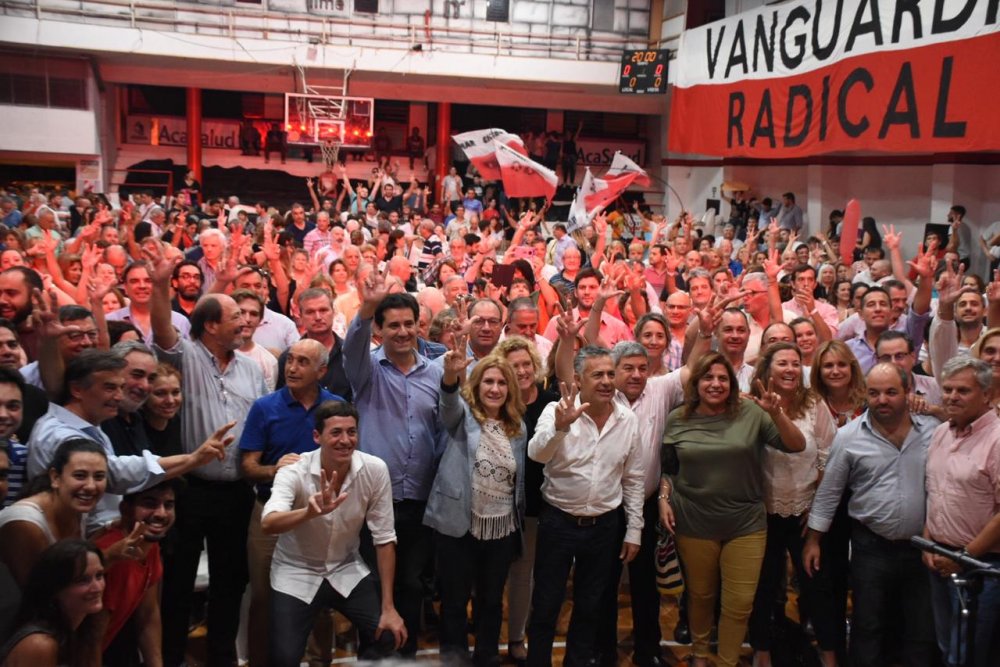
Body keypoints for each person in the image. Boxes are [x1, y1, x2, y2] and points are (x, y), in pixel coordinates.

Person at [146, 243, 267, 667]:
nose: (246, 322)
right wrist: (160, 284)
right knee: (178, 583)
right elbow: (162, 328)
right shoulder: (185, 356)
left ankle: (221, 658)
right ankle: (173, 658)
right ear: (212, 326)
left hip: (236, 491)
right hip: (189, 489)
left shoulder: (253, 368)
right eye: (237, 316)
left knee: (230, 582)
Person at [659, 352, 805, 667]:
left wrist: (777, 413)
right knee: (700, 596)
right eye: (708, 378)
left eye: (722, 378)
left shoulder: (751, 412)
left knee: (739, 603)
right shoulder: (677, 418)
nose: (715, 384)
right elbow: (669, 468)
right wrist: (662, 499)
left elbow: (796, 445)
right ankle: (699, 653)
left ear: (732, 383)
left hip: (746, 524)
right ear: (695, 383)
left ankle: (726, 660)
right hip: (694, 521)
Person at [804, 363, 940, 667]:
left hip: (924, 550)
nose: (882, 400)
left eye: (891, 392)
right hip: (871, 549)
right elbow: (829, 493)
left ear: (908, 393)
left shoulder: (933, 431)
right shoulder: (849, 437)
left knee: (921, 631)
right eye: (875, 393)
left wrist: (937, 410)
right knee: (868, 627)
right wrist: (814, 540)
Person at [343, 273, 444, 655]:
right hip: (373, 502)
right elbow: (352, 344)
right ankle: (372, 658)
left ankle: (407, 657)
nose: (402, 332)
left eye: (409, 324)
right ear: (379, 330)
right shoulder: (364, 371)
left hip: (420, 499)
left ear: (419, 326)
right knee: (370, 588)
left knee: (412, 586)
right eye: (393, 325)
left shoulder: (435, 374)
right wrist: (367, 307)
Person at [261, 400, 407, 666]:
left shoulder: (374, 469)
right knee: (283, 656)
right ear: (317, 436)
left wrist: (389, 607)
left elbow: (384, 538)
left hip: (345, 567)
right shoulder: (294, 471)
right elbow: (269, 522)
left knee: (387, 634)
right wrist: (309, 512)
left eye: (351, 432)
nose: (345, 440)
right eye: (336, 432)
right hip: (296, 571)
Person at [526, 345, 645, 667]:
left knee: (590, 606)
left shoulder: (628, 420)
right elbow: (536, 454)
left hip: (604, 526)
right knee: (546, 605)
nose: (607, 381)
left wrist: (634, 529)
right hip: (558, 522)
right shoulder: (556, 410)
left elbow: (633, 478)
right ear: (578, 379)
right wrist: (561, 426)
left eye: (610, 373)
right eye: (598, 374)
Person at [239, 338, 343, 666]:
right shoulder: (265, 406)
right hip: (270, 511)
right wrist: (275, 468)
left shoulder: (336, 408)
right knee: (264, 598)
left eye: (302, 362)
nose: (291, 368)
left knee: (319, 599)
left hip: (318, 517)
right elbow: (248, 467)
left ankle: (318, 661)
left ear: (322, 370)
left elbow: (348, 458)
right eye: (290, 360)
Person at [424, 348, 527, 665]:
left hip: (501, 528)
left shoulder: (518, 428)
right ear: (477, 386)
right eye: (488, 382)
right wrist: (451, 376)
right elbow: (448, 406)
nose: (495, 389)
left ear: (509, 388)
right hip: (458, 524)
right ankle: (454, 659)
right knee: (455, 602)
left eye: (501, 383)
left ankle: (486, 656)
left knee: (492, 601)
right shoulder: (463, 416)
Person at [746, 343, 838, 667]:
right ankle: (762, 652)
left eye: (795, 364)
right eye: (782, 363)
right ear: (767, 369)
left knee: (817, 588)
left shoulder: (813, 403)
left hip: (804, 512)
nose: (789, 369)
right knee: (764, 588)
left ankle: (829, 656)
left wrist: (817, 510)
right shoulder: (751, 405)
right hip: (763, 513)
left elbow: (829, 455)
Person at [923, 357, 1000, 667]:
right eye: (948, 389)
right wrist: (929, 541)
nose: (952, 397)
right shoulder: (941, 432)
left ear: (987, 395)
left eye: (963, 391)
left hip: (982, 566)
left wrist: (962, 556)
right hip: (939, 559)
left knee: (967, 654)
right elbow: (935, 491)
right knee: (947, 647)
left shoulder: (997, 439)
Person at [94, 481, 178, 667]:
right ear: (125, 509)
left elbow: (148, 615)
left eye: (169, 505)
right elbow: (89, 643)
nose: (161, 513)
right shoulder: (114, 555)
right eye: (149, 504)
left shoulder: (150, 544)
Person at [0, 539, 106, 667]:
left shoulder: (85, 629)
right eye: (82, 580)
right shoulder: (39, 645)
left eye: (99, 576)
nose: (97, 588)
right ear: (55, 588)